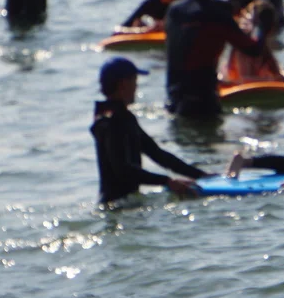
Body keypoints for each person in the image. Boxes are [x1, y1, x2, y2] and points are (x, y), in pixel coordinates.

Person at [164, 0, 271, 118]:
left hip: (173, 101)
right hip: (203, 104)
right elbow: (253, 49)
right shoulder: (217, 15)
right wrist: (261, 25)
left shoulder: (174, 11)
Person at [90, 57, 210, 203]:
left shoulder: (117, 117)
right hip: (119, 205)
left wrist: (200, 175)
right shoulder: (113, 121)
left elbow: (157, 154)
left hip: (120, 204)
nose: (136, 87)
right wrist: (167, 181)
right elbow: (123, 171)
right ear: (123, 84)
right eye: (134, 81)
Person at [222, 0, 284, 83]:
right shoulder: (244, 46)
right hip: (238, 82)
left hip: (247, 81)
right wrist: (273, 79)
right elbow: (242, 78)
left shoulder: (262, 47)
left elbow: (276, 73)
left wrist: (281, 78)